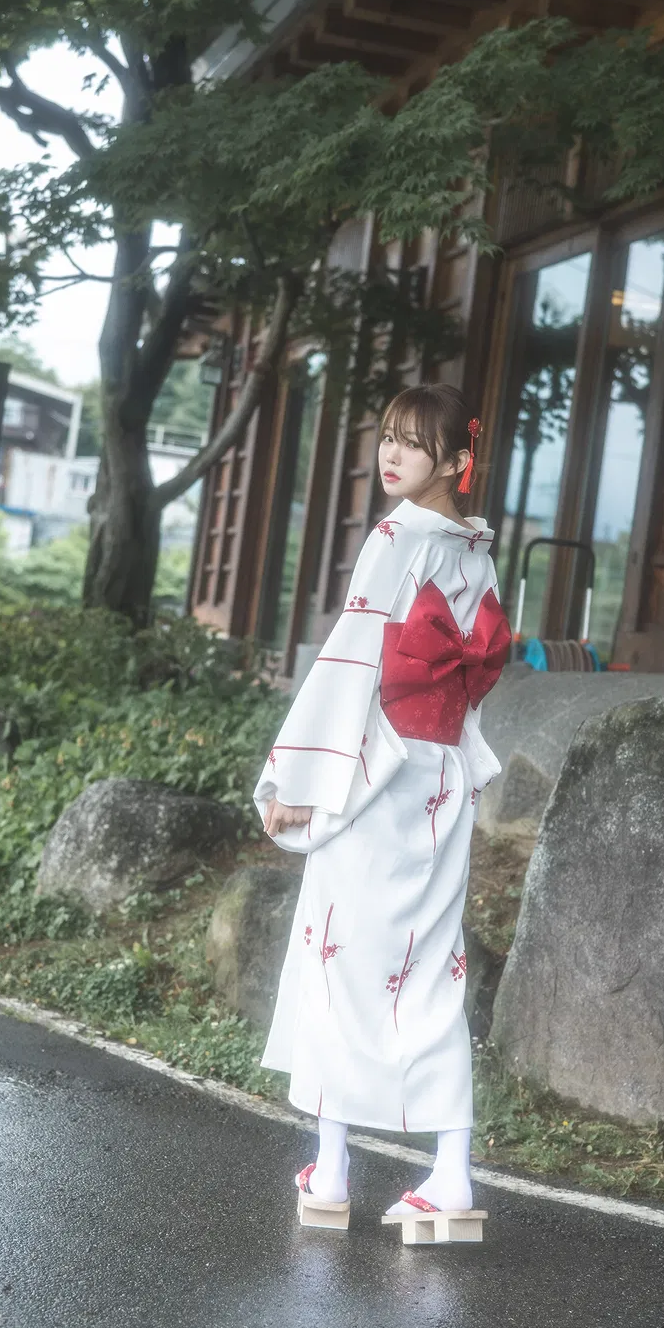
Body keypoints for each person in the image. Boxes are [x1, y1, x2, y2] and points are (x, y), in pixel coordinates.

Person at [252, 383, 512, 1235]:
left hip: (378, 771)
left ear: (457, 461)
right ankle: (452, 1176)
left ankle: (331, 1171)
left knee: (341, 964)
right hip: (440, 780)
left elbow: (352, 662)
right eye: (388, 436)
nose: (391, 453)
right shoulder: (477, 553)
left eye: (413, 442)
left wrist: (298, 782)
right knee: (429, 972)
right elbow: (468, 679)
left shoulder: (397, 537)